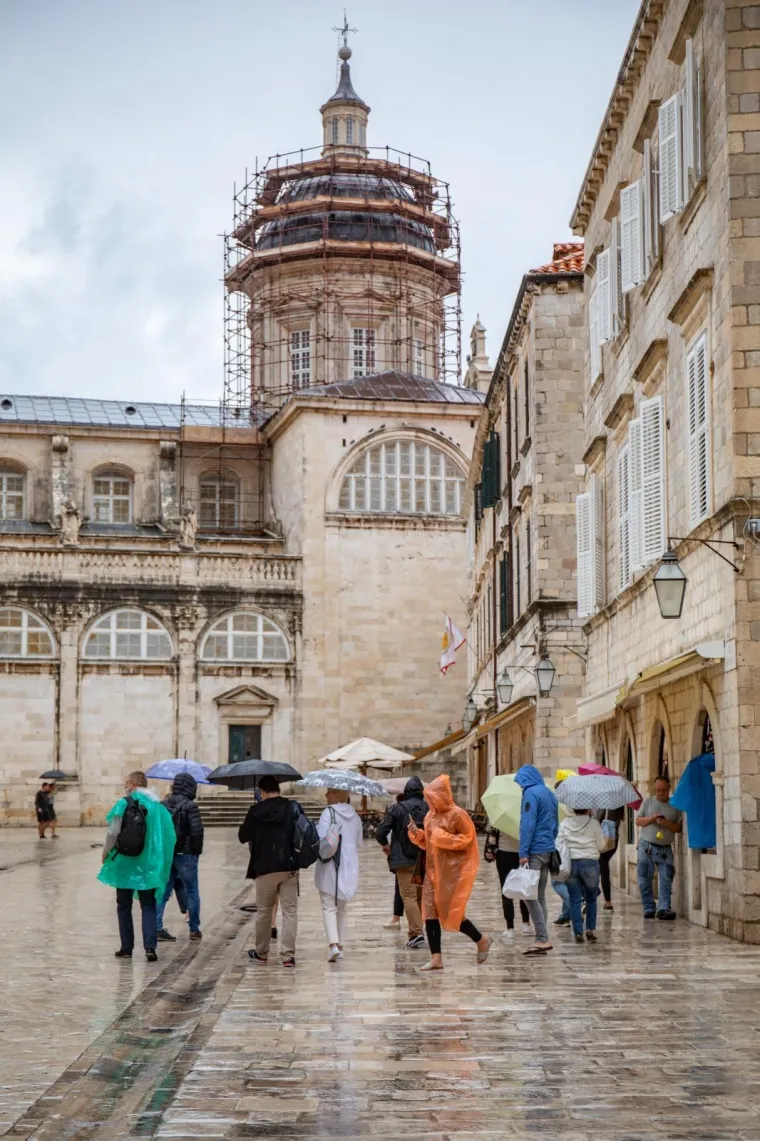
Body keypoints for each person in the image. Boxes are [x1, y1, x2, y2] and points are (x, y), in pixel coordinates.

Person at [407, 774, 491, 971]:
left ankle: (481, 939)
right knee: (429, 913)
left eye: (432, 797)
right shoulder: (429, 816)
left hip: (451, 873)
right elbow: (428, 844)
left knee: (451, 913)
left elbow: (468, 840)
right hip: (431, 871)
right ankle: (436, 957)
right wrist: (416, 834)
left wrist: (441, 837)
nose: (430, 801)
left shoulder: (458, 815)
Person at [98, 770, 176, 961]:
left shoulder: (124, 804)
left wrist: (106, 852)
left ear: (132, 784)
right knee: (148, 905)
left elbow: (113, 832)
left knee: (123, 905)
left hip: (124, 863)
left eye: (126, 783)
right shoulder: (157, 808)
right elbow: (168, 837)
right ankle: (150, 947)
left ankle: (126, 947)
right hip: (147, 865)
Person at [238, 774, 302, 967]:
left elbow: (243, 836)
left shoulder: (256, 810)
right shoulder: (292, 808)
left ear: (262, 792)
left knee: (264, 911)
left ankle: (262, 952)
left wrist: (253, 814)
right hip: (289, 865)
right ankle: (288, 956)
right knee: (290, 911)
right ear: (279, 789)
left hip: (265, 867)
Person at [375, 776, 428, 949]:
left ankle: (417, 932)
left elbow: (380, 831)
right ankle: (414, 933)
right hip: (424, 858)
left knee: (409, 896)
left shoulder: (397, 808)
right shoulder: (430, 808)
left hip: (403, 859)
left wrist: (385, 845)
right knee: (418, 897)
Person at [515, 763, 559, 956]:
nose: (521, 787)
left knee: (528, 895)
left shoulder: (531, 794)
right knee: (539, 895)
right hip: (548, 850)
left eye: (521, 783)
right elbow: (555, 824)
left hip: (534, 851)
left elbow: (528, 824)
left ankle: (542, 938)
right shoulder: (549, 794)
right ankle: (542, 937)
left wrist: (523, 852)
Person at [315, 789, 363, 962]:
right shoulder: (356, 816)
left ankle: (333, 945)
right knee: (342, 907)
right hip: (349, 865)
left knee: (329, 905)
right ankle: (340, 945)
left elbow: (321, 839)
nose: (326, 795)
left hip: (330, 863)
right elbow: (358, 842)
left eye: (329, 792)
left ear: (336, 794)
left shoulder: (328, 813)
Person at [156, 773, 205, 942]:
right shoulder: (191, 806)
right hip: (186, 854)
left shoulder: (162, 805)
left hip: (168, 854)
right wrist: (196, 853)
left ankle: (156, 925)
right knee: (192, 890)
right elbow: (197, 832)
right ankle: (194, 928)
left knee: (163, 891)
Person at [636, 776, 682, 920]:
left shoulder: (675, 805)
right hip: (646, 846)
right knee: (644, 878)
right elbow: (638, 821)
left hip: (665, 849)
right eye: (658, 790)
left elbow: (678, 828)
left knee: (666, 877)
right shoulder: (648, 801)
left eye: (663, 790)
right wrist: (651, 819)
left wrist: (665, 822)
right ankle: (649, 907)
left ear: (669, 788)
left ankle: (664, 908)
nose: (660, 793)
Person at [557, 809, 607, 944]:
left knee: (574, 900)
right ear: (588, 809)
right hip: (590, 863)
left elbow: (558, 843)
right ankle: (590, 929)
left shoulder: (564, 823)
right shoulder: (594, 823)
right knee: (591, 899)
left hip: (571, 864)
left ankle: (578, 932)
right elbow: (601, 846)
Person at [484, 827, 531, 938]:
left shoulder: (501, 813)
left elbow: (492, 833)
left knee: (506, 891)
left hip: (504, 853)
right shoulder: (527, 814)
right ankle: (526, 924)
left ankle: (510, 928)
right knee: (523, 889)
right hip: (522, 853)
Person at [597, 807, 624, 911]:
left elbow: (596, 821)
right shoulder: (619, 807)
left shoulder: (604, 806)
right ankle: (607, 901)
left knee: (602, 869)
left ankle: (607, 902)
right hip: (614, 841)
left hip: (604, 840)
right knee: (603, 867)